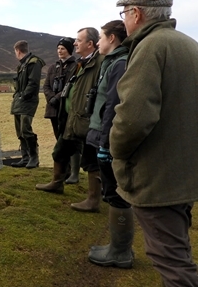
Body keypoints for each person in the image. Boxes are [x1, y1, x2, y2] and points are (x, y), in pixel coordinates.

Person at [110, 0, 198, 285]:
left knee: (170, 260)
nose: (123, 20)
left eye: (125, 12)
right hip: (185, 172)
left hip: (159, 175)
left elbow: (133, 118)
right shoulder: (189, 44)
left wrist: (116, 151)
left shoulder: (150, 47)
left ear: (137, 13)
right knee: (177, 248)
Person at [36, 28, 103, 212]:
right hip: (71, 118)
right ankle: (57, 182)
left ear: (90, 44)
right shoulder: (81, 63)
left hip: (88, 121)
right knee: (60, 151)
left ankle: (93, 200)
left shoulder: (100, 63)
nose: (75, 44)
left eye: (78, 40)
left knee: (91, 159)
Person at [83, 20, 133, 268]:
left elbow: (113, 107)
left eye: (101, 37)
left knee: (117, 195)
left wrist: (105, 145)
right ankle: (117, 246)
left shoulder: (120, 64)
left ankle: (120, 252)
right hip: (100, 135)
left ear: (112, 38)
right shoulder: (111, 62)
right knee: (112, 192)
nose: (99, 42)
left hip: (108, 140)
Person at [43, 37, 81, 184]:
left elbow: (70, 86)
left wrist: (57, 98)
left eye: (63, 48)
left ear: (69, 50)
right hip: (53, 110)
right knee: (58, 138)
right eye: (58, 48)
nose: (60, 51)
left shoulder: (76, 66)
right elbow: (46, 86)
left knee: (69, 139)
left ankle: (73, 173)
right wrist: (51, 97)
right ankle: (63, 171)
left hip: (66, 109)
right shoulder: (53, 67)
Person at [10, 40, 46, 169]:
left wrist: (24, 95)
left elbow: (33, 82)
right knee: (19, 130)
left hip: (28, 100)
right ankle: (25, 158)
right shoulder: (23, 65)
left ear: (18, 51)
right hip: (19, 100)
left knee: (26, 129)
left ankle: (33, 158)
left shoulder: (34, 62)